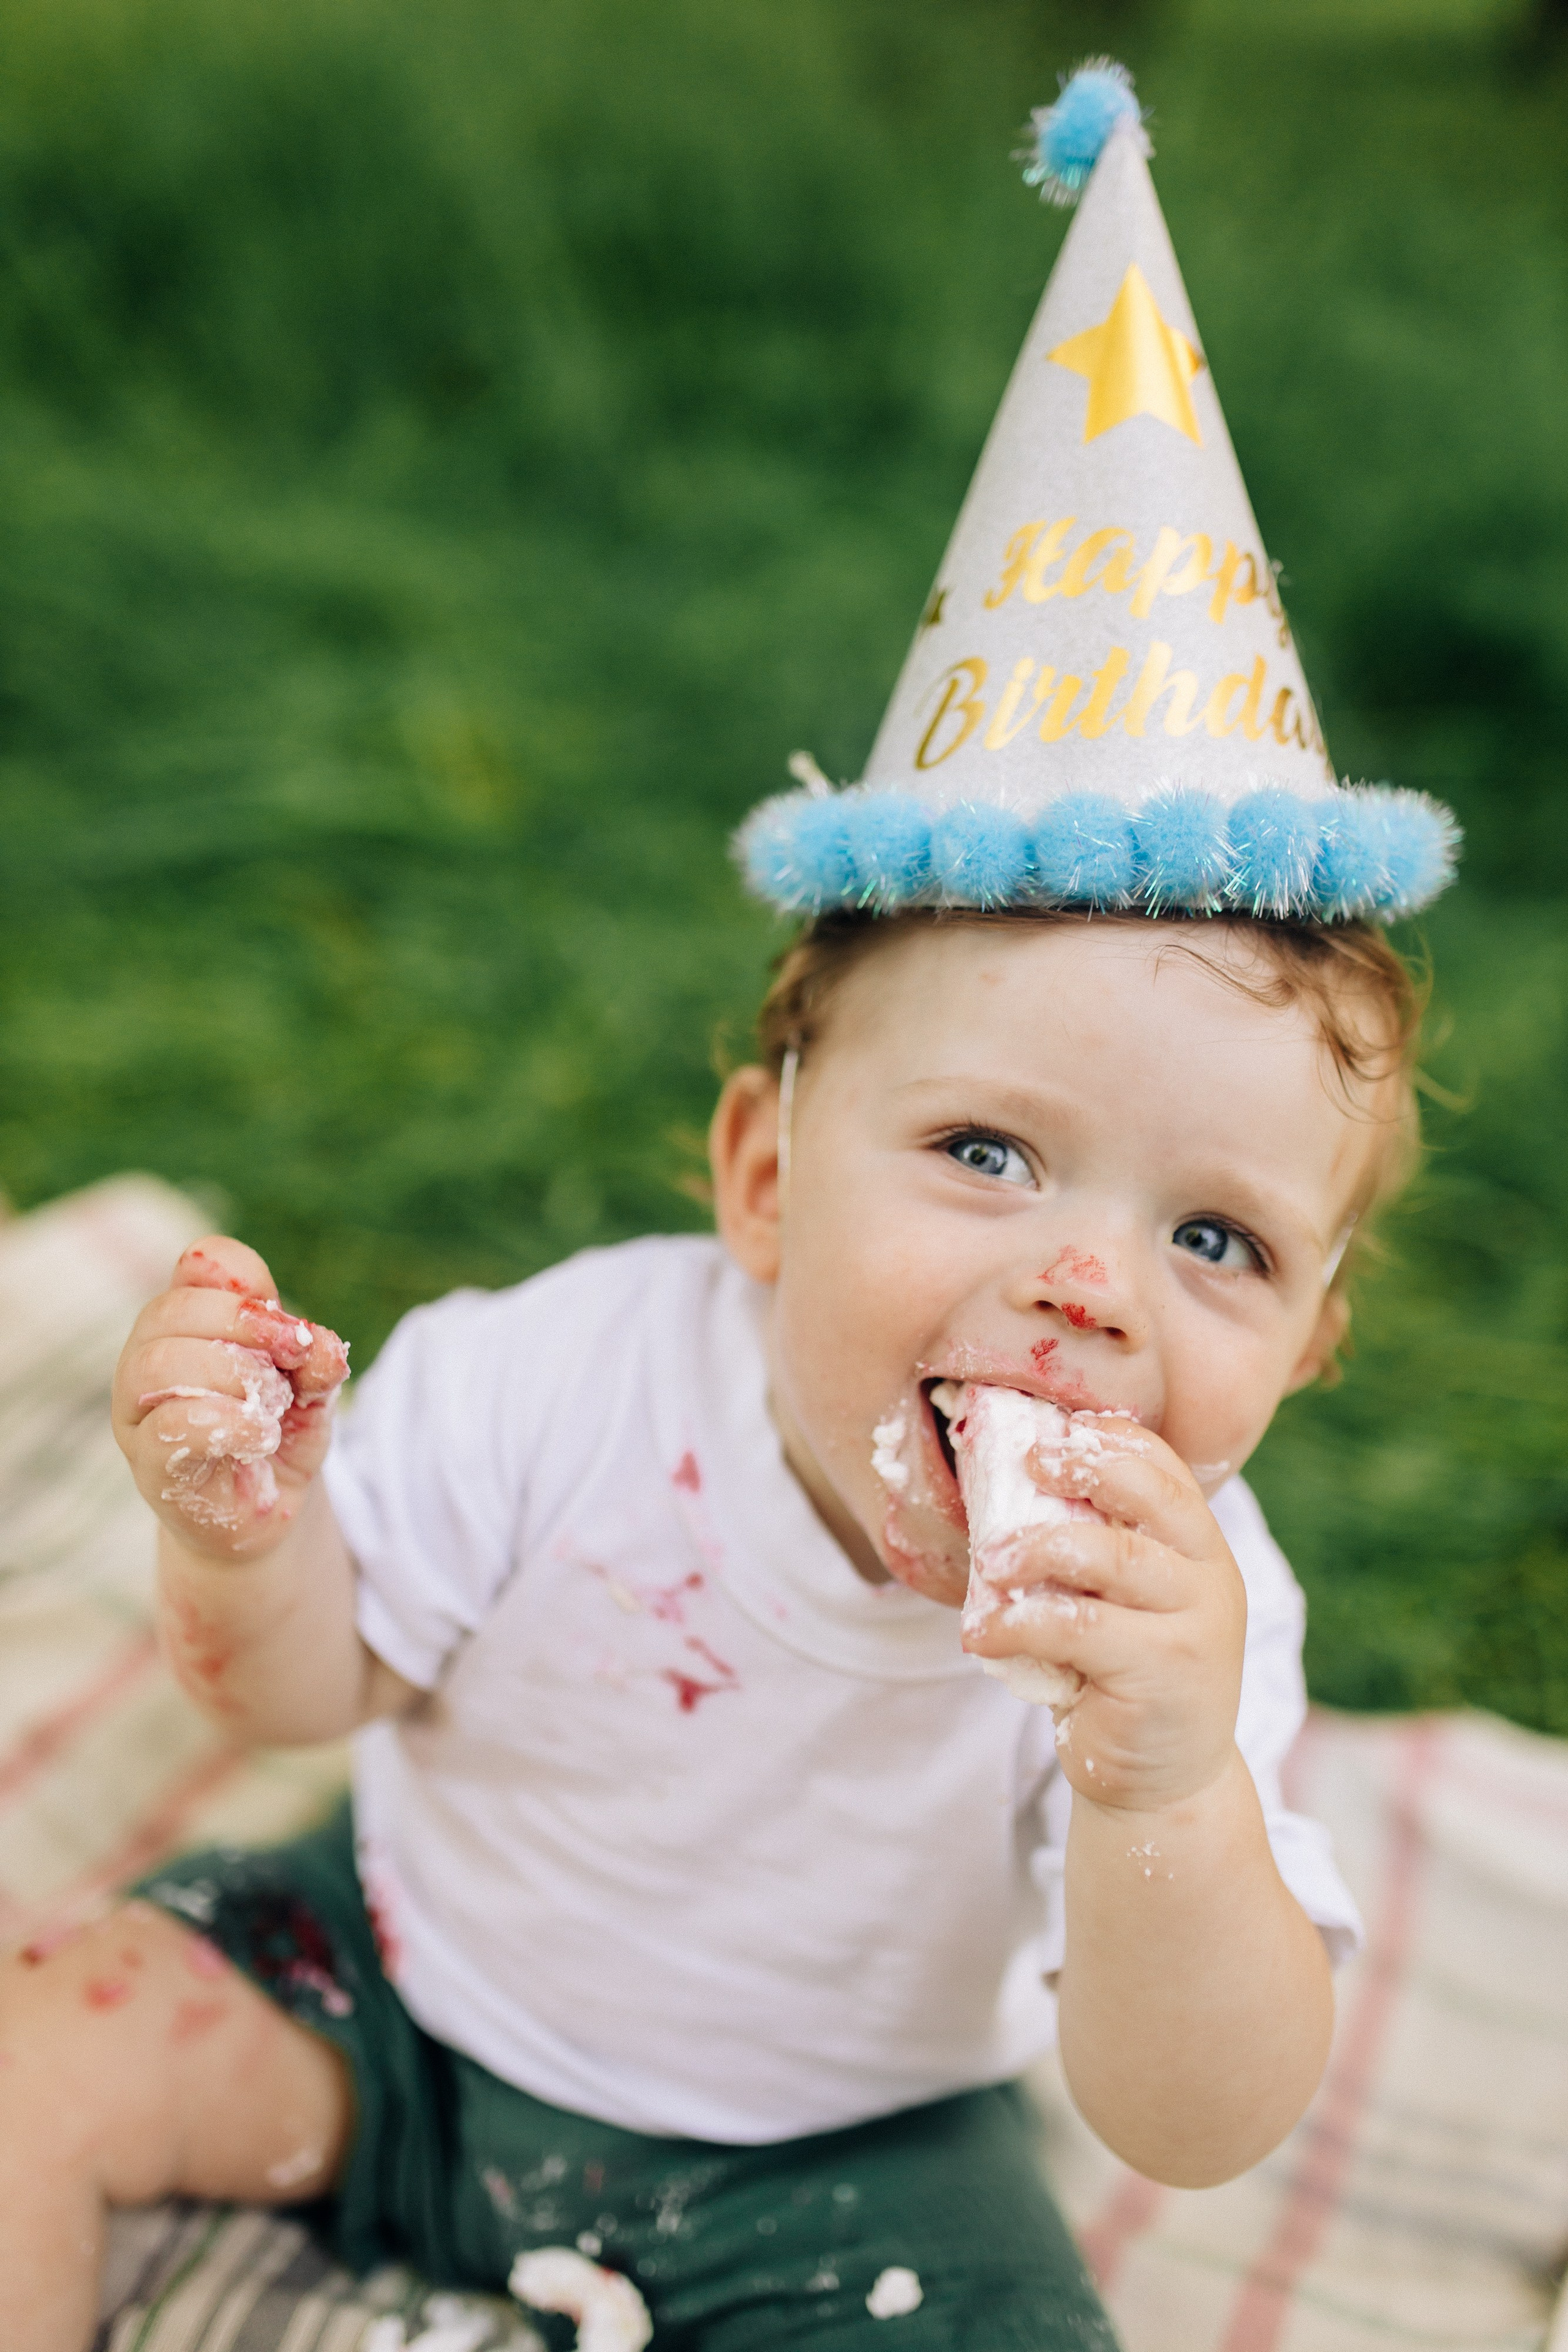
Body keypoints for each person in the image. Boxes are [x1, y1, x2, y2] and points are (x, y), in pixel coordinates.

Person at [0, 60, 1458, 2352]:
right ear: (767, 1179)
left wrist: (1164, 1781)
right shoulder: (569, 1369)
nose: (1086, 1281)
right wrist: (239, 1528)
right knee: (25, 2057)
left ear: (1310, 1339)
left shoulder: (1187, 1629)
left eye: (1219, 1241)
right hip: (392, 1988)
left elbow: (1189, 2120)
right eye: (985, 1152)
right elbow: (299, 1676)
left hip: (841, 2156)